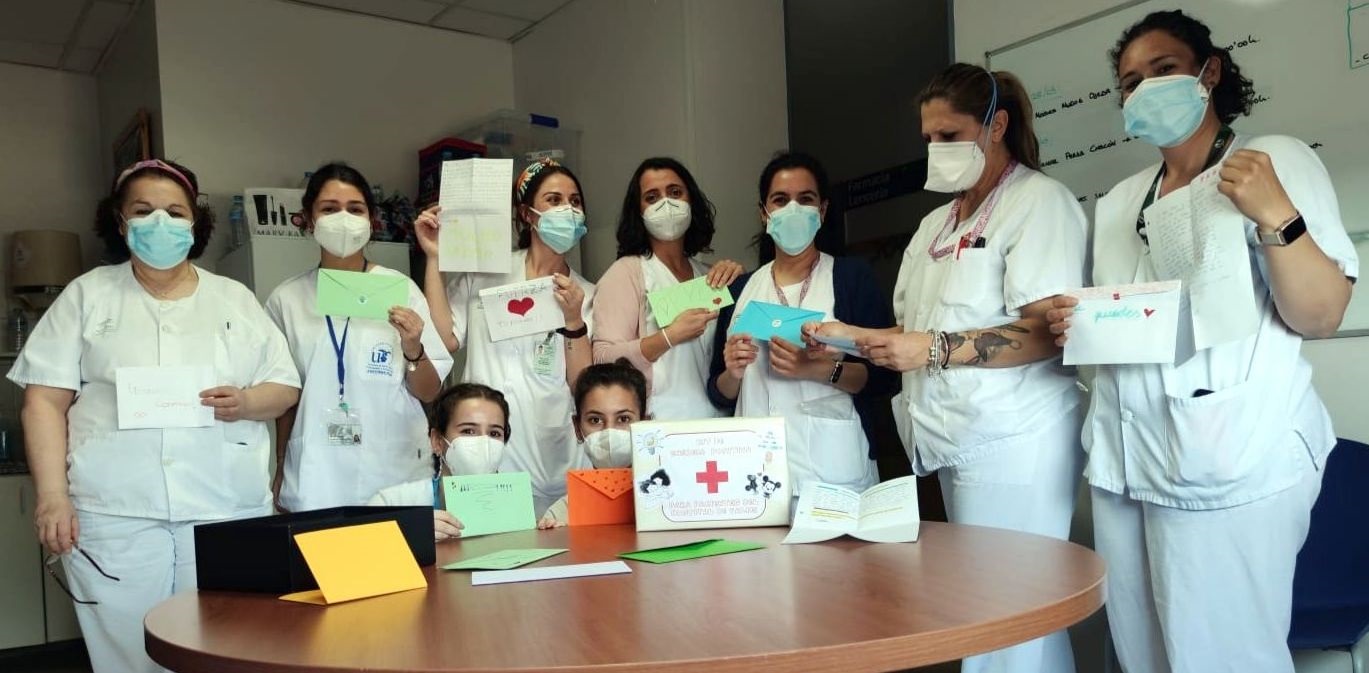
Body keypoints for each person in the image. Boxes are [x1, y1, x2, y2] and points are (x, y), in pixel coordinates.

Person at [1044, 11, 1357, 672]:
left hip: (1230, 454)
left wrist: (1276, 214)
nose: (1142, 90)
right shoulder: (1118, 201)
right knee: (1140, 653)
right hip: (1125, 459)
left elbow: (1321, 314)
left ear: (1208, 73)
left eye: (1162, 71)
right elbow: (1127, 320)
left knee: (1220, 655)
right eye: (1129, 82)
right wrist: (1075, 323)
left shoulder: (1271, 160)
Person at [810, 63, 1087, 673]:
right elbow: (910, 334)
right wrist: (849, 338)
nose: (936, 149)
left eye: (950, 135)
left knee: (1003, 622)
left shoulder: (1040, 204)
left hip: (1016, 438)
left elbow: (1050, 332)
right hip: (950, 440)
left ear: (997, 126)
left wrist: (929, 349)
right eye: (928, 138)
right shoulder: (937, 223)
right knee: (1011, 622)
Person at [7, 159, 300, 673]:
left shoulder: (234, 298)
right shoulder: (87, 295)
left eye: (174, 211)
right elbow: (43, 402)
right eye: (143, 211)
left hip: (223, 509)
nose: (159, 222)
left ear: (194, 223)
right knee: (127, 654)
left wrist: (248, 402)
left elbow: (285, 387)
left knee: (223, 649)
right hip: (114, 512)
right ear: (120, 223)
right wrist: (52, 498)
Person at [707, 152, 897, 499]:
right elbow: (718, 391)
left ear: (822, 211)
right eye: (780, 200)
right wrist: (732, 372)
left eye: (805, 199)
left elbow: (885, 376)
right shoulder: (740, 289)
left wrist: (816, 369)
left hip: (833, 470)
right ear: (764, 213)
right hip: (752, 473)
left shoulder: (851, 278)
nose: (792, 209)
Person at [267, 163, 451, 512]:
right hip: (317, 472)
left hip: (394, 467)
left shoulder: (400, 290)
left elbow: (429, 391)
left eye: (355, 209)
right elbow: (285, 398)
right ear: (308, 219)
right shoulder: (286, 300)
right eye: (329, 209)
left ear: (370, 221)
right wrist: (280, 465)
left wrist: (414, 349)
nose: (343, 218)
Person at [416, 159, 594, 515]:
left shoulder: (587, 292)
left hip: (554, 446)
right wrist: (434, 259)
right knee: (486, 552)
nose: (567, 210)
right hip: (483, 443)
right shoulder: (487, 274)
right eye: (554, 200)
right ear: (527, 214)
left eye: (575, 202)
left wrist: (573, 317)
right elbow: (445, 339)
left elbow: (584, 384)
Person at [591, 158, 743, 420]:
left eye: (675, 192)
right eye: (652, 197)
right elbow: (603, 359)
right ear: (638, 212)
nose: (666, 203)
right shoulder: (626, 273)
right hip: (659, 429)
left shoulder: (709, 275)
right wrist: (669, 337)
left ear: (691, 200)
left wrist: (741, 281)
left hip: (717, 428)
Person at [369, 383, 512, 542]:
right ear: (437, 441)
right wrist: (406, 534)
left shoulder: (517, 510)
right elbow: (358, 551)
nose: (484, 443)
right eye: (468, 431)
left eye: (494, 433)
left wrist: (544, 531)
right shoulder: (392, 503)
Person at [538, 358, 649, 528]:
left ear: (644, 424)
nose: (609, 431)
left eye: (623, 419)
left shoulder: (668, 500)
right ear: (577, 427)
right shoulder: (563, 513)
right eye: (595, 420)